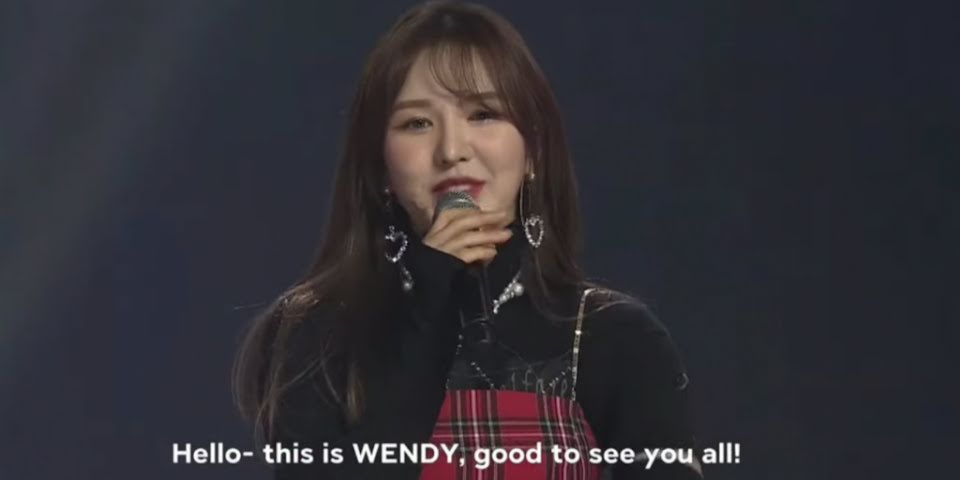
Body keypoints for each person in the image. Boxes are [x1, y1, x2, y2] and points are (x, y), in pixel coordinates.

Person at [233, 1, 702, 478]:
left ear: (534, 150)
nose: (452, 150)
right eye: (417, 123)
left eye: (483, 114)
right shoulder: (316, 334)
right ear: (380, 169)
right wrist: (430, 296)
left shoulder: (614, 336)